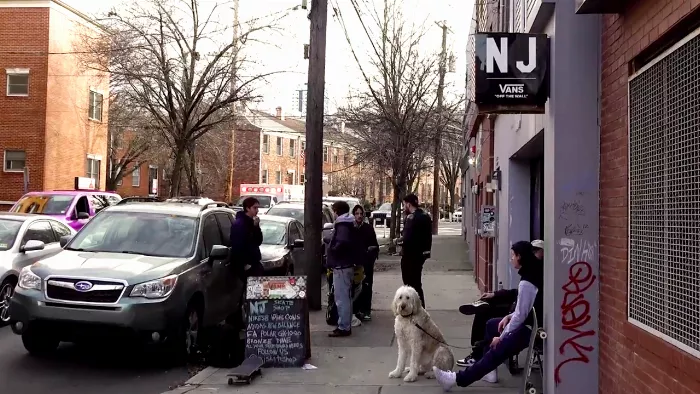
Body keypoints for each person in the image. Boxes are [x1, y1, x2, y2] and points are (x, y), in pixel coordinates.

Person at [433, 241, 544, 390]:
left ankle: (456, 379)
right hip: (530, 323)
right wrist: (509, 316)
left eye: (513, 256)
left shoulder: (527, 281)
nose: (511, 259)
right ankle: (490, 371)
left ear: (520, 257)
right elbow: (525, 307)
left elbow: (521, 315)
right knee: (492, 324)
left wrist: (502, 336)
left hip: (532, 330)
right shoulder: (531, 273)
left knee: (500, 344)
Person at [455, 239, 545, 368]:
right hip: (516, 307)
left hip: (522, 314)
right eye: (533, 251)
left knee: (486, 314)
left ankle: (478, 355)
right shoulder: (531, 270)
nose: (534, 255)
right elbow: (518, 292)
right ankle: (479, 353)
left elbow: (522, 310)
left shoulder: (538, 271)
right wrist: (496, 295)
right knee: (487, 305)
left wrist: (502, 337)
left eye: (537, 251)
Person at [325, 201, 360, 337]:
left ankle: (344, 326)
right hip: (347, 264)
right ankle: (345, 324)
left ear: (337, 211)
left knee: (341, 298)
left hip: (341, 265)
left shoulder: (342, 224)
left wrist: (333, 249)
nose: (333, 214)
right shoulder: (348, 223)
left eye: (334, 211)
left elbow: (342, 242)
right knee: (345, 296)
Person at [397, 194, 432, 308]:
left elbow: (408, 237)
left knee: (409, 285)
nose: (404, 207)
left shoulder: (411, 218)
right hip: (420, 256)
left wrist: (399, 241)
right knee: (416, 284)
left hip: (410, 256)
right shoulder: (425, 215)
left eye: (404, 204)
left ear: (408, 204)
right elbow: (427, 236)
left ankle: (413, 307)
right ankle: (420, 308)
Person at [352, 204, 379, 321]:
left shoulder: (368, 228)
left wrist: (370, 254)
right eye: (356, 213)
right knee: (355, 287)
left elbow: (375, 245)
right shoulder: (350, 228)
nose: (359, 216)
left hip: (366, 262)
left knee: (367, 286)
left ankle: (366, 310)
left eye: (361, 214)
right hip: (354, 263)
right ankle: (355, 309)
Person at [230, 197, 264, 277]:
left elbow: (258, 241)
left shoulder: (252, 222)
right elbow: (238, 246)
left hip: (254, 262)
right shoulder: (240, 224)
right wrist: (244, 264)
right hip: (246, 265)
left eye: (257, 208)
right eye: (255, 208)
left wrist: (256, 227)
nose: (257, 210)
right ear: (247, 208)